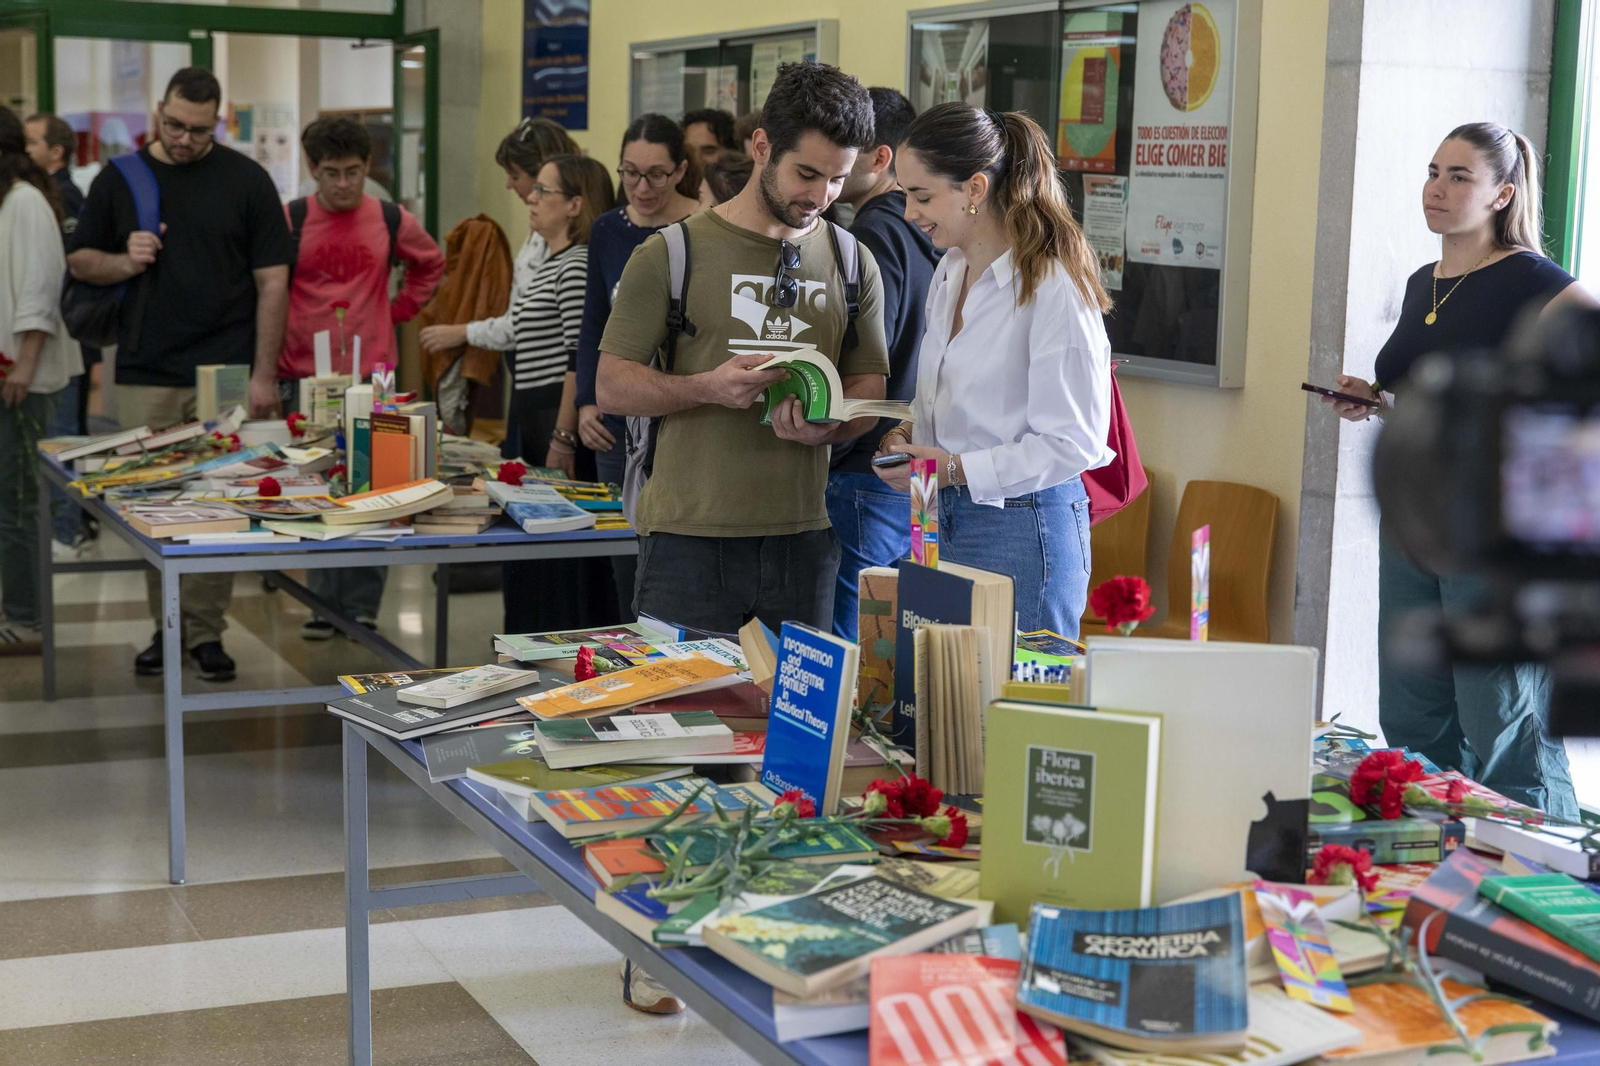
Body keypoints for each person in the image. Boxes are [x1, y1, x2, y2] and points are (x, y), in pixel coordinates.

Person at [1325, 123, 1597, 818]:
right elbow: (1437, 397)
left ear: (1503, 193)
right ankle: (1446, 856)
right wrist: (1377, 402)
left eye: (1458, 176)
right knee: (1414, 711)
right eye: (1432, 171)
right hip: (1416, 523)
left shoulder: (1534, 280)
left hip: (1490, 529)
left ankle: (1541, 867)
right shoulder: (1425, 282)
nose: (1436, 188)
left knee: (1502, 721)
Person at [598, 60, 889, 637]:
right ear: (761, 146)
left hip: (803, 542)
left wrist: (828, 427)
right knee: (683, 722)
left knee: (793, 726)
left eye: (837, 179)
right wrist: (706, 387)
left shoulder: (855, 262)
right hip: (686, 542)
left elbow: (869, 388)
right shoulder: (670, 254)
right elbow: (612, 384)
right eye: (806, 173)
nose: (820, 195)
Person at [67, 67, 292, 682]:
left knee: (218, 505)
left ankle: (205, 632)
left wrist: (263, 374)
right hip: (145, 366)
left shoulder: (247, 180)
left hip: (224, 368)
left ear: (217, 120)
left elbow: (273, 281)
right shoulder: (121, 179)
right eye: (174, 125)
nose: (185, 139)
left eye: (199, 129)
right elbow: (82, 259)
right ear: (157, 110)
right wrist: (124, 258)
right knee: (152, 506)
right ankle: (166, 627)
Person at [873, 103, 1112, 640]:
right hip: (931, 506)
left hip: (1018, 524)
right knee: (933, 694)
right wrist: (910, 433)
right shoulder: (950, 269)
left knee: (1022, 708)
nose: (909, 213)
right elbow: (948, 399)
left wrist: (955, 468)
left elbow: (1074, 443)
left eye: (922, 195)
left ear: (975, 189)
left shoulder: (1053, 287)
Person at [281, 116, 444, 641]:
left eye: (353, 171)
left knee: (377, 489)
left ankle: (363, 605)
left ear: (367, 167)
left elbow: (431, 264)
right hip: (305, 372)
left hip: (374, 372)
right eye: (332, 172)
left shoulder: (391, 217)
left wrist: (396, 310)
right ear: (312, 169)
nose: (344, 183)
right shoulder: (293, 218)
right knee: (316, 489)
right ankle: (322, 604)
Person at [573, 114, 701, 618]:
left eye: (656, 175)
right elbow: (593, 323)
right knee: (623, 558)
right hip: (617, 416)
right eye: (629, 173)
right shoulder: (608, 228)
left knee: (670, 556)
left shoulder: (701, 226)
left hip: (678, 415)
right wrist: (587, 398)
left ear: (680, 171)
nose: (641, 187)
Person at [827, 88, 940, 640]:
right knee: (897, 641)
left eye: (851, 148)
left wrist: (835, 444)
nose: (836, 162)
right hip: (915, 464)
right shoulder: (932, 234)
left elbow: (869, 352)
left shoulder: (873, 232)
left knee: (854, 644)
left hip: (869, 465)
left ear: (881, 158)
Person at [501, 153, 617, 634]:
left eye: (543, 191)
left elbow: (578, 357)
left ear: (574, 204)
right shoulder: (552, 261)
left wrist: (562, 436)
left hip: (553, 418)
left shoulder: (572, 265)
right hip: (533, 412)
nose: (531, 197)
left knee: (557, 562)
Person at [419, 117, 579, 456]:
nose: (510, 186)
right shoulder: (540, 236)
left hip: (548, 392)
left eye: (516, 176)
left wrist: (463, 332)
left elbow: (529, 326)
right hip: (528, 383)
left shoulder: (573, 255)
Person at [0, 105, 82, 653]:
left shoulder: (26, 203)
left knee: (19, 501)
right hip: (12, 374)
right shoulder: (10, 201)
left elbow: (39, 292)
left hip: (21, 380)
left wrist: (22, 368)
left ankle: (27, 619)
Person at [24, 112, 96, 558]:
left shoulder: (64, 200)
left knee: (64, 437)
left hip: (65, 339)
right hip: (57, 341)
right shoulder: (37, 197)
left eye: (30, 143)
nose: (22, 152)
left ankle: (68, 531)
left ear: (55, 151)